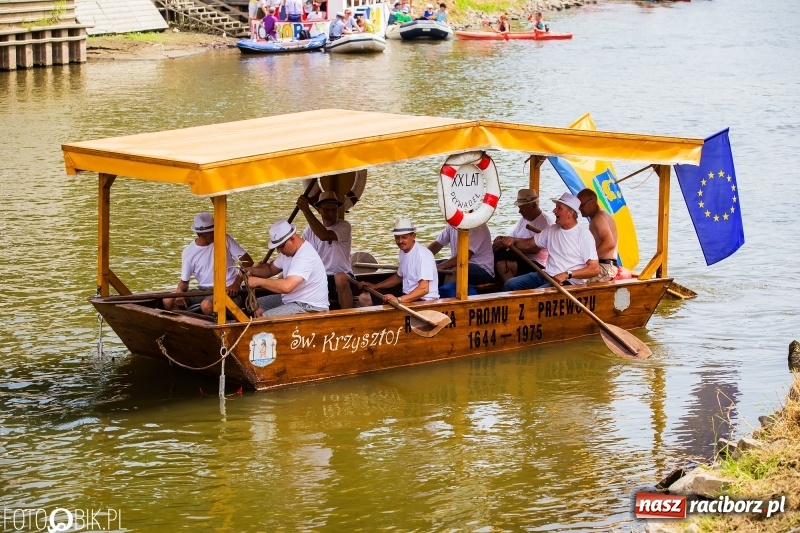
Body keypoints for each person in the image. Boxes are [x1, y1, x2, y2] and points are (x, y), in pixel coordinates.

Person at [503, 193, 599, 291]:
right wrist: (513, 241)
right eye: (555, 207)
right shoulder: (552, 230)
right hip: (547, 274)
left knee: (537, 294)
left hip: (569, 282)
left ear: (570, 213)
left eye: (559, 208)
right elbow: (528, 244)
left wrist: (568, 274)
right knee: (510, 284)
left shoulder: (583, 234)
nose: (554, 211)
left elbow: (594, 269)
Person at [163, 212, 253, 316]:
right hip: (203, 291)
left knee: (207, 305)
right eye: (212, 231)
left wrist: (236, 284)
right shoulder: (188, 252)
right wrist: (179, 293)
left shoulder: (226, 239)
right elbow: (184, 281)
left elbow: (248, 261)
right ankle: (187, 325)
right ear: (201, 234)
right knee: (168, 300)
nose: (216, 233)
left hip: (228, 290)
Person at [246, 220, 330, 317]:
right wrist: (252, 270)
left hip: (310, 307)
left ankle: (265, 330)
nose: (278, 251)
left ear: (292, 240)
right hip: (291, 299)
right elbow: (270, 269)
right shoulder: (287, 252)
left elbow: (287, 287)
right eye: (277, 247)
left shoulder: (305, 256)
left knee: (268, 315)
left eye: (280, 246)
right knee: (256, 304)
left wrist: (258, 281)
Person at [359, 218, 439, 306]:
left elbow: (424, 289)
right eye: (397, 238)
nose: (400, 241)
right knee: (365, 298)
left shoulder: (422, 255)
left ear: (413, 236)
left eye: (404, 237)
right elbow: (398, 276)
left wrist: (399, 299)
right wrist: (375, 286)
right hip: (407, 295)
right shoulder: (402, 251)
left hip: (424, 301)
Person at [297, 191, 355, 309]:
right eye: (326, 210)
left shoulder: (344, 226)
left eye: (334, 210)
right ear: (318, 210)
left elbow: (324, 235)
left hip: (343, 276)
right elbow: (298, 252)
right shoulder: (309, 230)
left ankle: (348, 317)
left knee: (340, 277)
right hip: (320, 277)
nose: (331, 214)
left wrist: (306, 211)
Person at [492, 188, 553, 284]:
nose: (519, 211)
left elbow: (535, 249)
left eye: (522, 207)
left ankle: (512, 292)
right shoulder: (524, 219)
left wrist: (508, 243)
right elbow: (512, 237)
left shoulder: (545, 222)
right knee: (495, 254)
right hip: (522, 258)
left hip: (537, 264)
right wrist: (502, 239)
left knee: (502, 265)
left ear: (533, 205)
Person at [427, 223, 495, 285]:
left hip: (483, 270)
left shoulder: (478, 227)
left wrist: (439, 266)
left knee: (456, 269)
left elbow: (464, 256)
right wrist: (422, 257)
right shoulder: (452, 225)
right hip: (459, 263)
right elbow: (437, 244)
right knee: (430, 264)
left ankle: (447, 295)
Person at [577, 188, 619, 282]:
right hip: (605, 265)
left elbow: (609, 244)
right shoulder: (602, 215)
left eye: (581, 205)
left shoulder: (598, 218)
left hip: (604, 267)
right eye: (578, 206)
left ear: (593, 202)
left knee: (572, 280)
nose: (579, 209)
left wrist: (587, 259)